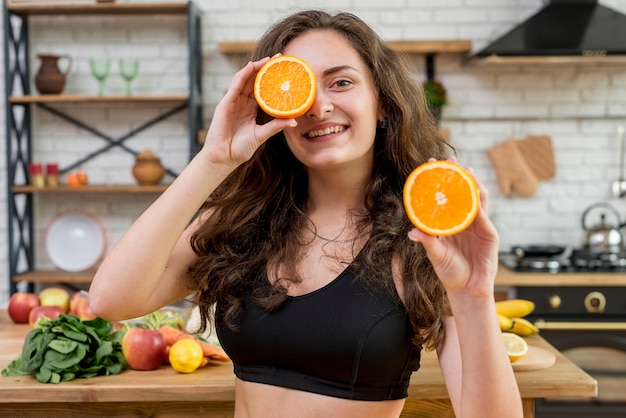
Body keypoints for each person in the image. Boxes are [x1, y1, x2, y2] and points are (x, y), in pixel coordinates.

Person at [89, 9, 523, 418]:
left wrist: (474, 296)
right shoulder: (241, 222)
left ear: (384, 102)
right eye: (299, 89)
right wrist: (214, 160)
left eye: (341, 83)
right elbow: (111, 300)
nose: (318, 106)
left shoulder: (423, 239)